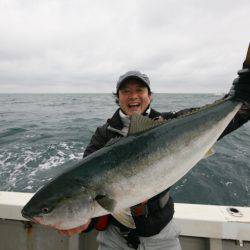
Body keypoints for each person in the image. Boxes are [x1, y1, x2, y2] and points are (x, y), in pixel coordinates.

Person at [59, 68, 250, 249]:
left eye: (139, 90)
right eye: (125, 91)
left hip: (160, 234)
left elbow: (228, 115)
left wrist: (241, 89)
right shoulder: (103, 135)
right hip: (114, 236)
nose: (133, 96)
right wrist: (85, 223)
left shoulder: (171, 124)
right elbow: (86, 186)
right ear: (118, 98)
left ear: (149, 95)